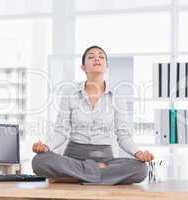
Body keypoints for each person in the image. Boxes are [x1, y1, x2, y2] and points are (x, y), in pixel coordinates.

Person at [31, 45, 154, 185]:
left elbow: (123, 135)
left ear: (106, 66)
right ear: (83, 67)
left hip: (105, 160)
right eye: (91, 56)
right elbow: (61, 131)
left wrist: (138, 153)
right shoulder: (70, 94)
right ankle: (98, 174)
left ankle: (75, 177)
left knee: (140, 169)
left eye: (101, 56)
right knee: (39, 161)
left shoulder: (117, 97)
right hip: (73, 158)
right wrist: (46, 147)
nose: (97, 58)